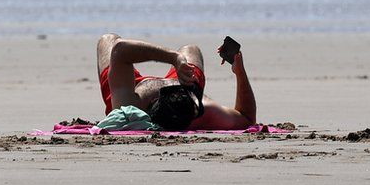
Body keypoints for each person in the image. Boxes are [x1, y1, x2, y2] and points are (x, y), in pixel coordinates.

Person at [95, 33, 256, 130]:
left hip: (134, 88)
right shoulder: (204, 108)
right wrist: (240, 72)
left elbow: (120, 49)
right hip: (186, 82)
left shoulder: (130, 106)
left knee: (108, 39)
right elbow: (247, 118)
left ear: (154, 101)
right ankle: (183, 66)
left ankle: (179, 59)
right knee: (191, 49)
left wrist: (174, 58)